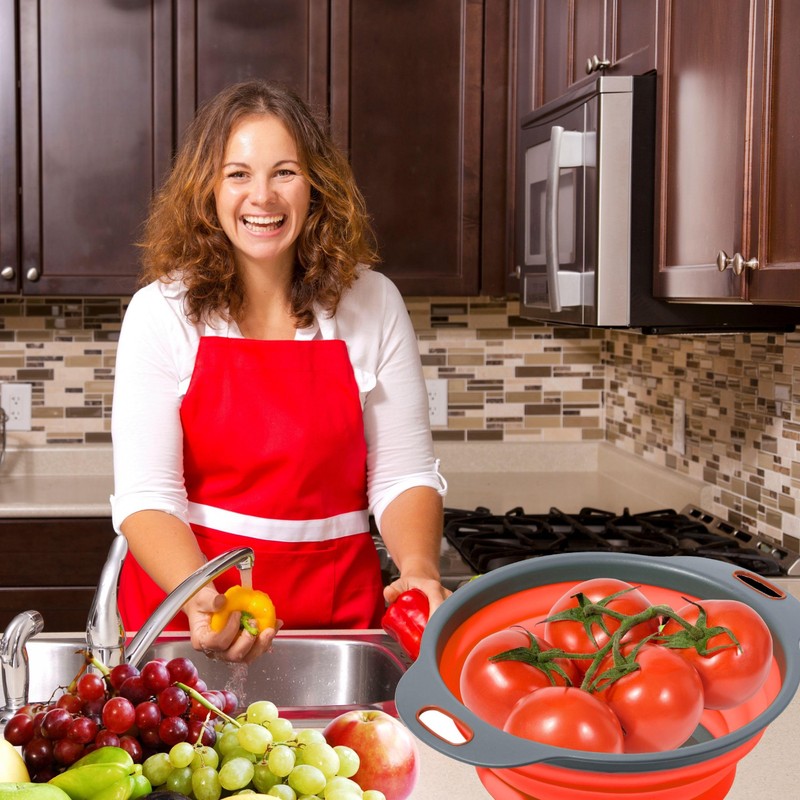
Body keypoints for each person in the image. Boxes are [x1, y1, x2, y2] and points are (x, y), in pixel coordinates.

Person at [110, 79, 450, 664]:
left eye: (284, 172)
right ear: (207, 191)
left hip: (340, 628)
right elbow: (148, 498)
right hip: (194, 616)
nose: (261, 196)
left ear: (315, 185)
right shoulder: (159, 312)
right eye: (237, 174)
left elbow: (402, 475)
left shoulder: (373, 302)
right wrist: (200, 597)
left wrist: (418, 569)